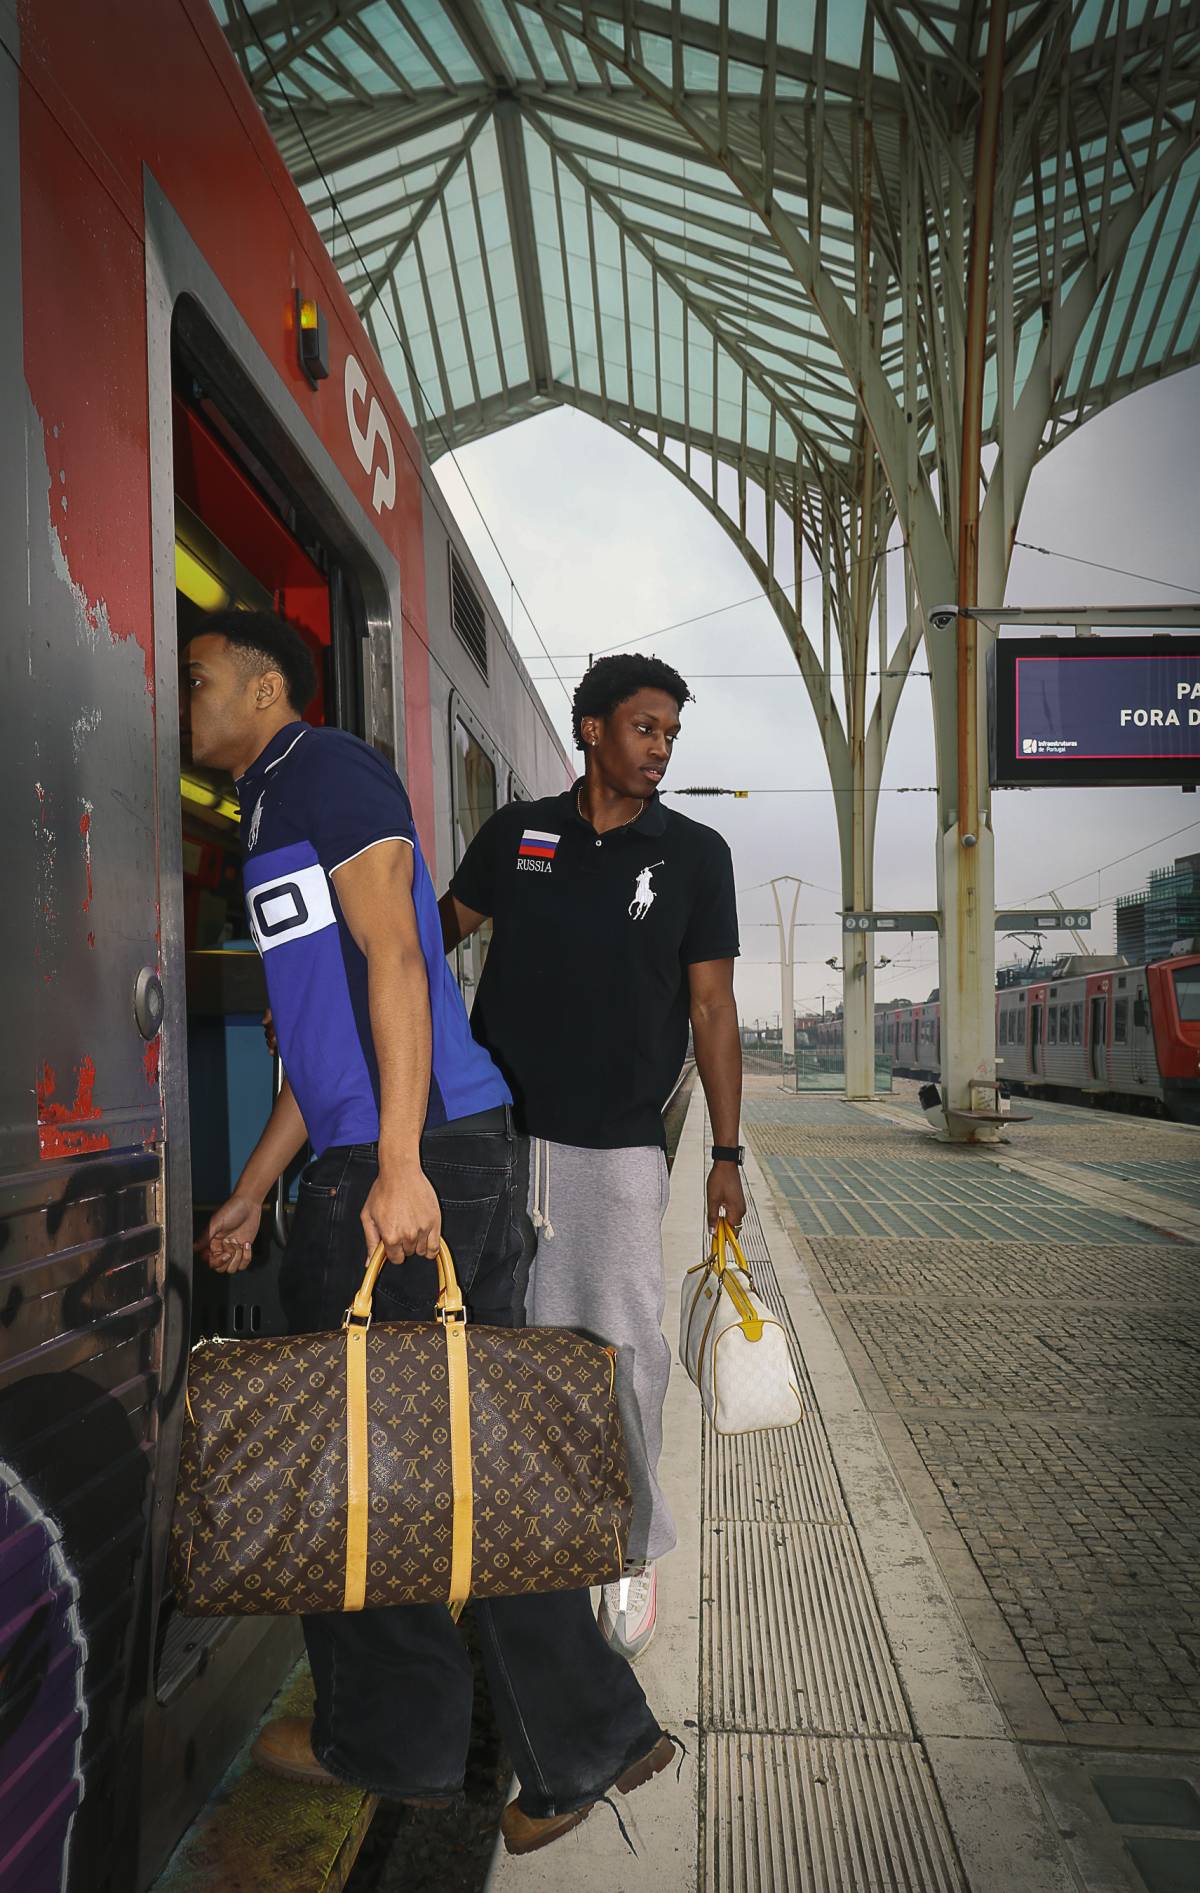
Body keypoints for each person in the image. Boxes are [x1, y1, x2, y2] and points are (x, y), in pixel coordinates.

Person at [186, 610, 671, 1854]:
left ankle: (404, 1740)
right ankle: (578, 1739)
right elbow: (328, 1037)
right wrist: (251, 1188)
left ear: (263, 687)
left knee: (370, 1462)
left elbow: (400, 957)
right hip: (382, 1149)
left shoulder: (324, 769)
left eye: (198, 679)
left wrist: (398, 1167)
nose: (181, 698)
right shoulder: (266, 809)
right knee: (442, 1453)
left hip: (419, 1160)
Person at [440, 653, 744, 1661]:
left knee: (619, 1348)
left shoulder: (695, 856)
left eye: (669, 734)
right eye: (644, 728)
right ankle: (526, 1540)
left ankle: (626, 1544)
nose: (658, 748)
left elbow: (712, 1008)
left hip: (614, 1147)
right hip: (494, 1137)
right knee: (506, 1341)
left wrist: (727, 1155)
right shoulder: (517, 833)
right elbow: (434, 935)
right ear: (591, 729)